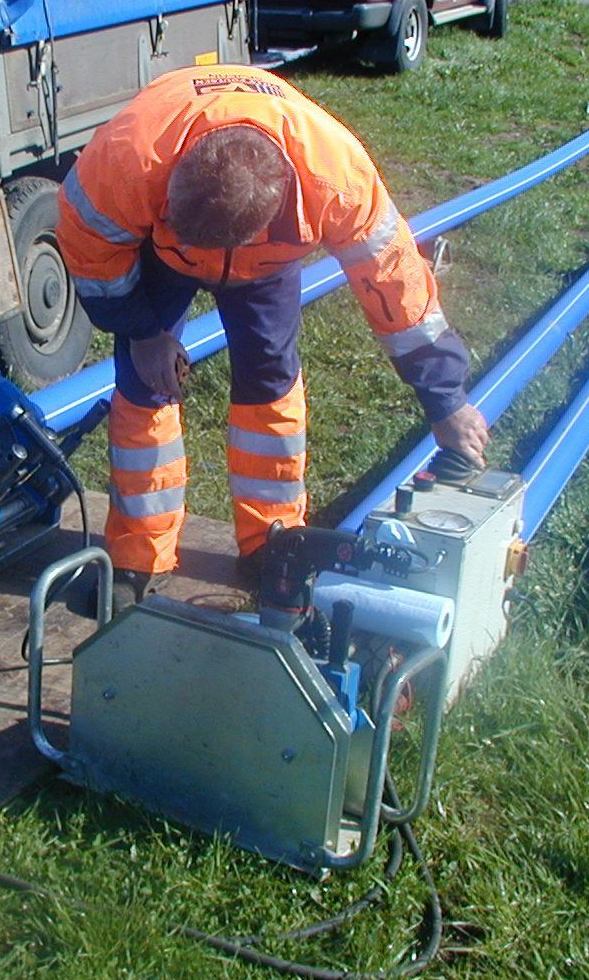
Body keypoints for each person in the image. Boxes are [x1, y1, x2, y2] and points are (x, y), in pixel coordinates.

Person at [56, 63, 490, 605]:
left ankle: (273, 543)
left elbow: (397, 288)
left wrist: (446, 401)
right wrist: (143, 332)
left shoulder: (335, 178)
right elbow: (91, 256)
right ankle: (136, 557)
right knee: (144, 386)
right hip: (163, 254)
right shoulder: (125, 162)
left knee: (270, 380)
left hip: (268, 262)